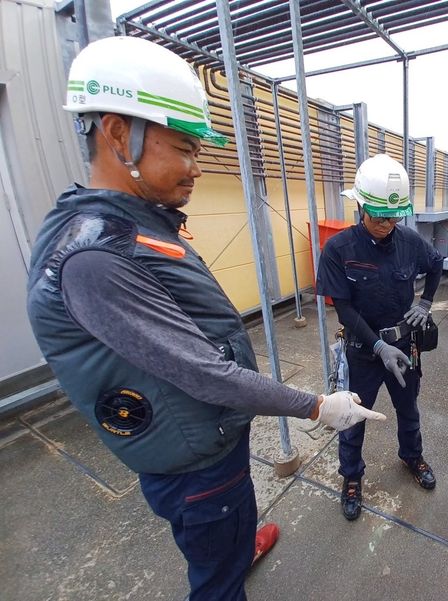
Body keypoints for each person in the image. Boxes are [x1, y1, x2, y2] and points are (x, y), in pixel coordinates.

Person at [26, 36, 385, 601]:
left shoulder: (133, 223)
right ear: (117, 133)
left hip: (208, 435)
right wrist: (317, 406)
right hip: (195, 461)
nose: (196, 167)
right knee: (215, 575)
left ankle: (237, 543)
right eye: (183, 148)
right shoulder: (96, 258)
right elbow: (204, 373)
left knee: (229, 520)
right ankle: (227, 560)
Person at [315, 154, 444, 521]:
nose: (388, 224)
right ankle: (351, 477)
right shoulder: (339, 249)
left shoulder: (409, 242)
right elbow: (344, 309)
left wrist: (426, 302)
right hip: (362, 351)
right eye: (380, 217)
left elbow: (436, 264)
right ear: (361, 206)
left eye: (394, 217)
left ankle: (412, 456)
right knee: (353, 417)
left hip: (403, 347)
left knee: (408, 408)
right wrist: (377, 345)